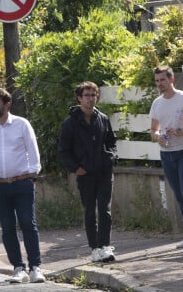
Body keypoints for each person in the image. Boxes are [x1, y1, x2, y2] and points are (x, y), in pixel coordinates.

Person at [0, 88, 45, 284]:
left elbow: (33, 152)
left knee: (28, 223)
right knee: (7, 227)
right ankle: (18, 267)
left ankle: (36, 267)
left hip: (22, 182)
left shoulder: (22, 124)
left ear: (7, 105)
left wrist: (32, 177)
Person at [58, 81, 118, 263]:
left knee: (105, 210)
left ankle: (105, 246)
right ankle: (95, 248)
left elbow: (111, 141)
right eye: (87, 95)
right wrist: (76, 168)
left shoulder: (103, 118)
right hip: (85, 174)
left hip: (104, 171)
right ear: (79, 98)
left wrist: (111, 157)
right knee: (90, 211)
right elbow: (64, 149)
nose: (90, 99)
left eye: (93, 95)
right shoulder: (70, 123)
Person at [149, 66, 183, 248]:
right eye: (157, 81)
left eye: (162, 80)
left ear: (171, 79)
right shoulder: (157, 103)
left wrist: (182, 132)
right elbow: (153, 129)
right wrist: (158, 137)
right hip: (167, 153)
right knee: (179, 194)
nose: (160, 84)